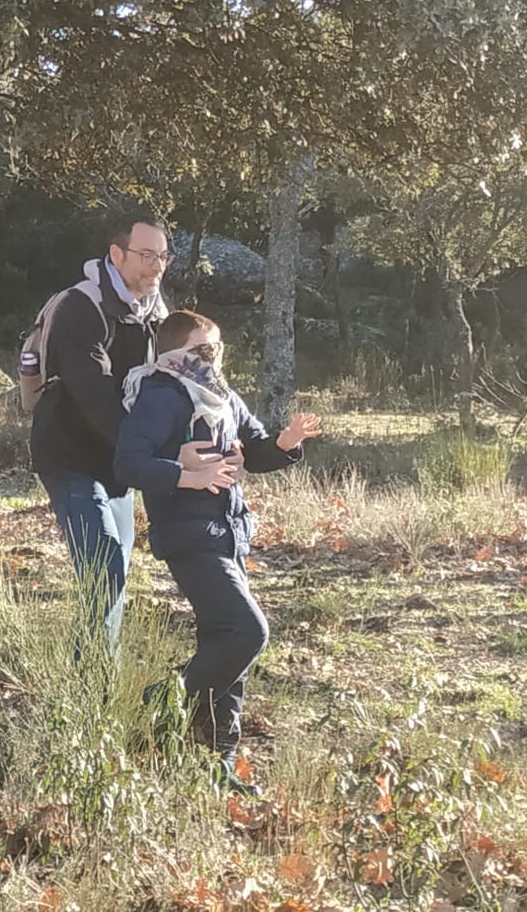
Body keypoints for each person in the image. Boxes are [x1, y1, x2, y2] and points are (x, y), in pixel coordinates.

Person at [114, 310, 321, 792]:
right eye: (206, 350)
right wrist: (189, 476)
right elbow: (129, 463)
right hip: (189, 537)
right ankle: (159, 707)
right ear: (176, 355)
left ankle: (218, 767)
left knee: (226, 649)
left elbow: (256, 448)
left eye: (219, 347)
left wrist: (287, 443)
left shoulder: (222, 396)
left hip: (229, 535)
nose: (216, 357)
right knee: (246, 632)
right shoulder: (161, 394)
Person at [27, 213, 176, 654]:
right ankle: (89, 688)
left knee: (115, 574)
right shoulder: (80, 307)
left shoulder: (155, 311)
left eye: (163, 256)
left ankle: (95, 683)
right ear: (116, 254)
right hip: (71, 456)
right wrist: (150, 460)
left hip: (118, 461)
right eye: (146, 255)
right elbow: (95, 396)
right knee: (105, 568)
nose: (157, 266)